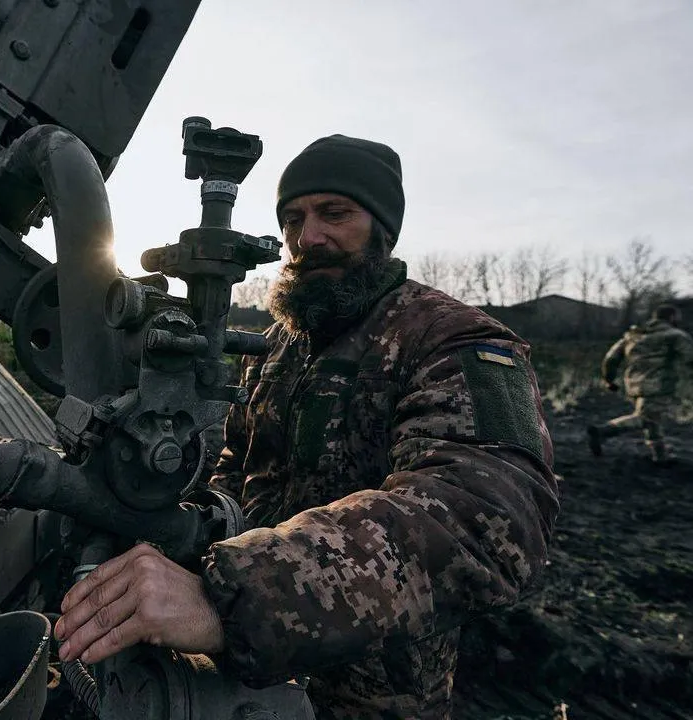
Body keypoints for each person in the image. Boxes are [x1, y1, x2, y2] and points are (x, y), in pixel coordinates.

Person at [53, 135, 560, 719]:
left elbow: (489, 516)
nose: (308, 237)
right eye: (293, 219)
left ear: (383, 228)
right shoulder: (279, 348)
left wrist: (231, 597)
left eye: (334, 214)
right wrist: (188, 525)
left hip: (374, 692)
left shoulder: (454, 339)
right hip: (244, 678)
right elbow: (239, 468)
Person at [588, 303, 693, 464]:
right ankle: (603, 431)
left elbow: (611, 359)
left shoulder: (633, 335)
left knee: (652, 416)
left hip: (634, 385)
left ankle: (660, 455)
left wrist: (609, 379)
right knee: (647, 418)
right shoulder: (675, 335)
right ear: (671, 317)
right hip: (659, 384)